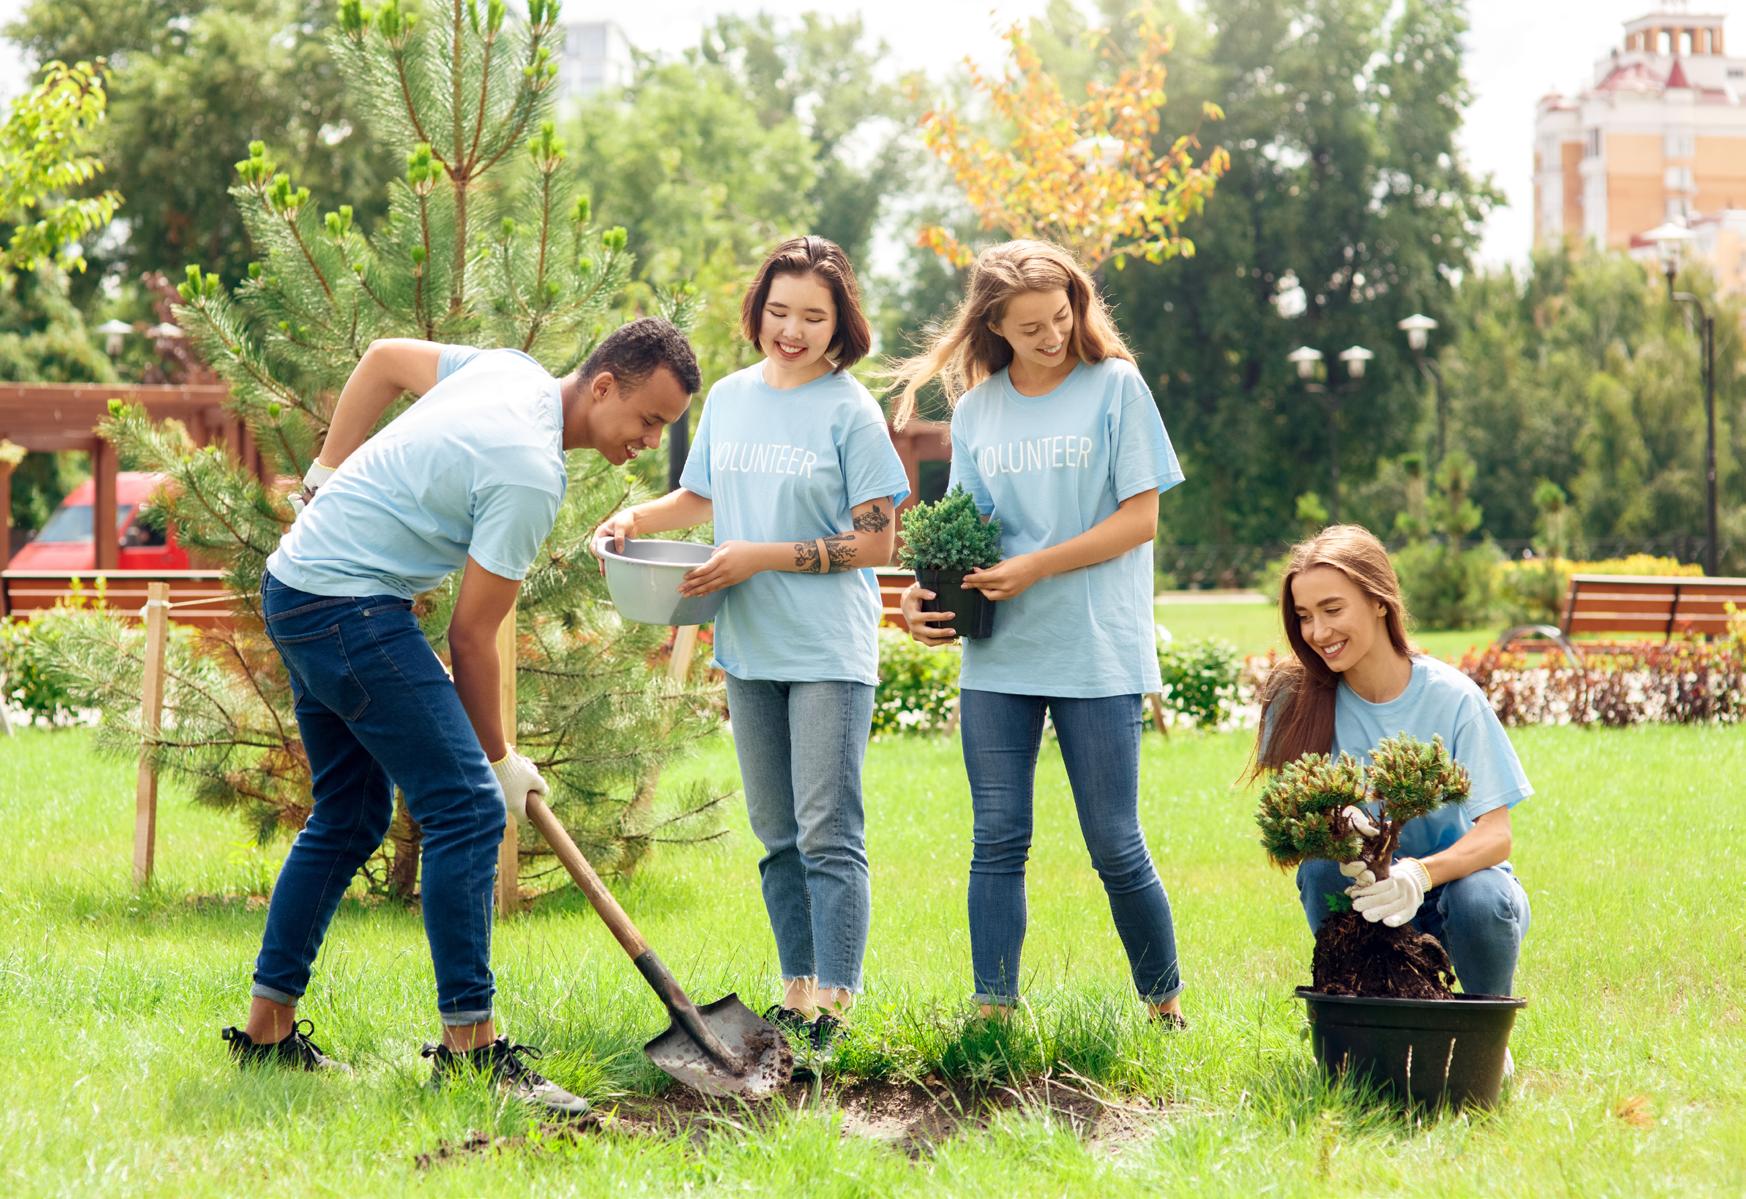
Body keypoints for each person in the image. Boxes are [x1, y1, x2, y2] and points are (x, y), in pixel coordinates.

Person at [221, 318, 701, 1118]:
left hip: (299, 585)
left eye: (664, 427)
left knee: (351, 812)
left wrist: (325, 470)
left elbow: (379, 359)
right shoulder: (529, 471)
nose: (650, 441)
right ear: (605, 384)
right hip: (348, 605)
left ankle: (267, 1032)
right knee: (468, 809)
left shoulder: (511, 372)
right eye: (648, 419)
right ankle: (472, 1053)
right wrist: (499, 760)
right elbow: (472, 636)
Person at [594, 237, 907, 1056]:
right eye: (778, 312)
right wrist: (635, 517)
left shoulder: (851, 409)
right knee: (776, 835)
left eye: (812, 315)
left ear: (840, 322)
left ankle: (837, 1004)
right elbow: (702, 496)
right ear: (757, 310)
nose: (792, 330)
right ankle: (795, 992)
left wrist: (763, 555)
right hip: (751, 641)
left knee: (827, 829)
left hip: (827, 648)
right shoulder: (730, 399)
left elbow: (876, 542)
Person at [891, 239, 1188, 1025]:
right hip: (1001, 653)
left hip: (1095, 650)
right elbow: (965, 531)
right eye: (1029, 328)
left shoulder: (1116, 387)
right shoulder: (981, 407)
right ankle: (993, 1013)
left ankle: (1166, 1006)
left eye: (1060, 317)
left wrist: (1036, 568)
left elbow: (1141, 518)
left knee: (1115, 844)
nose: (1051, 336)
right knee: (997, 837)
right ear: (994, 325)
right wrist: (926, 599)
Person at [1252, 524, 1531, 998]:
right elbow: (1297, 827)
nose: (1318, 632)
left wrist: (1418, 875)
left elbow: (1497, 835)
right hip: (1364, 889)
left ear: (1379, 600)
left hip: (1454, 895)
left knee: (1482, 897)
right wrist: (1343, 824)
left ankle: (1488, 1028)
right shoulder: (1296, 699)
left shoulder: (1452, 698)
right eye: (1304, 616)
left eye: (1332, 609)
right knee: (1321, 868)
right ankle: (1363, 1007)